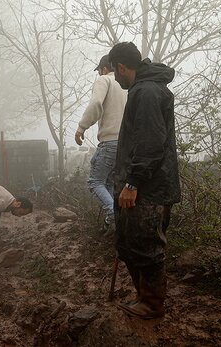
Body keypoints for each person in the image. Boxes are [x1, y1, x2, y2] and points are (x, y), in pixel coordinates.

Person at [108, 42, 181, 319]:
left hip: (149, 189)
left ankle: (152, 305)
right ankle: (144, 298)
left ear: (122, 67)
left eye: (115, 71)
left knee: (147, 247)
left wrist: (133, 183)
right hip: (144, 186)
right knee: (129, 245)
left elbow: (151, 142)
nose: (115, 77)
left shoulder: (147, 91)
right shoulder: (143, 89)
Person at [75, 54, 127, 232]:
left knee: (95, 181)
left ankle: (112, 214)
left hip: (110, 140)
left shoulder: (105, 80)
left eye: (98, 70)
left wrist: (82, 127)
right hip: (126, 144)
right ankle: (114, 221)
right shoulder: (127, 85)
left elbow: (96, 102)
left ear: (104, 68)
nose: (99, 74)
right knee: (110, 182)